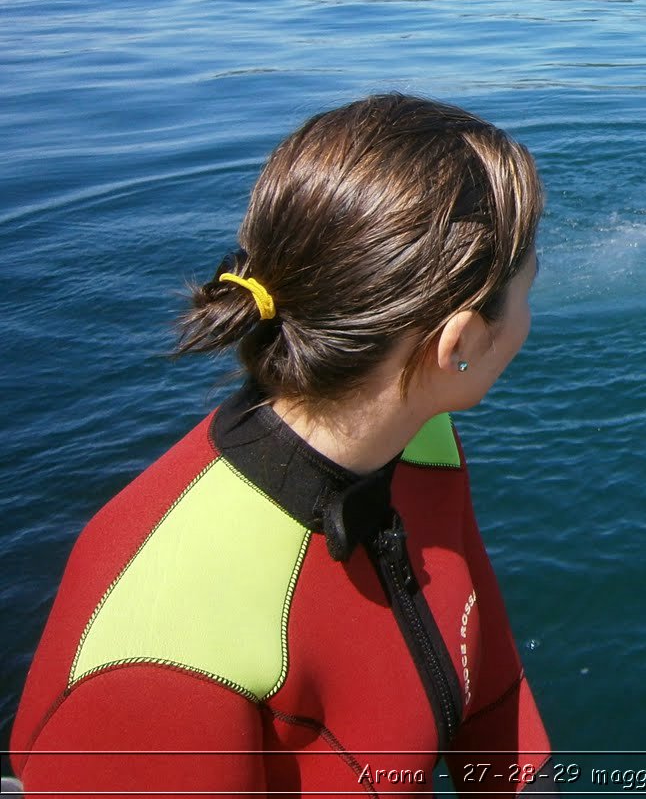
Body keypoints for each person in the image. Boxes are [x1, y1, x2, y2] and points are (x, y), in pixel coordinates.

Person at [9, 94, 556, 795]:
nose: (530, 320)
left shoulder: (419, 440)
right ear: (459, 345)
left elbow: (490, 686)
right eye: (527, 292)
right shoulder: (160, 665)